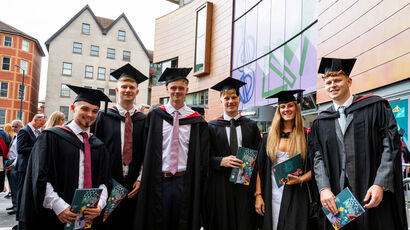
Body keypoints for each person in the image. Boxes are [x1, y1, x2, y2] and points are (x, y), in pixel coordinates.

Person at [310, 57, 407, 229]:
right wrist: (323, 188)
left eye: (337, 80)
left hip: (370, 191)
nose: (332, 85)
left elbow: (390, 147)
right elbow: (317, 157)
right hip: (337, 196)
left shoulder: (375, 107)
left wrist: (380, 184)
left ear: (349, 81)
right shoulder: (320, 122)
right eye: (328, 82)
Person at [18, 85, 112, 230]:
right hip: (56, 215)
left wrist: (100, 204)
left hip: (88, 217)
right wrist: (58, 206)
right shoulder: (51, 137)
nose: (90, 114)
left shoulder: (98, 145)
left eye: (94, 111)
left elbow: (104, 180)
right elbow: (39, 177)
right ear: (73, 108)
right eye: (85, 109)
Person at [133, 67, 209, 230]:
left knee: (183, 223)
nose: (177, 91)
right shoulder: (154, 117)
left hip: (185, 181)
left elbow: (202, 156)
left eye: (181, 88)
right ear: (167, 89)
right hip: (158, 180)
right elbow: (144, 149)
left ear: (187, 90)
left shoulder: (196, 121)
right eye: (173, 88)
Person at [93, 63, 148, 229]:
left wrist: (140, 179)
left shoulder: (143, 120)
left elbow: (147, 152)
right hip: (108, 182)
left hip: (134, 184)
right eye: (124, 86)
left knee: (131, 223)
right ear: (117, 90)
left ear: (137, 91)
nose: (128, 90)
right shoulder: (103, 116)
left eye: (132, 87)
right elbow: (95, 151)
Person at [204, 77, 261, 230]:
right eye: (226, 98)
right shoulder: (211, 127)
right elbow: (204, 158)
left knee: (245, 223)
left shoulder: (251, 126)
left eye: (234, 97)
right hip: (220, 185)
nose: (230, 101)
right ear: (220, 100)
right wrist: (220, 161)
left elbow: (259, 158)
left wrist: (258, 193)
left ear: (239, 99)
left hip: (245, 186)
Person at [254, 90, 315, 230]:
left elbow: (316, 168)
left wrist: (300, 179)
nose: (286, 109)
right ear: (278, 110)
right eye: (283, 107)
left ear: (296, 108)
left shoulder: (306, 136)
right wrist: (258, 195)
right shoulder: (269, 137)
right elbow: (259, 169)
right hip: (272, 193)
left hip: (297, 193)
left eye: (290, 105)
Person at [15, 114, 46, 221]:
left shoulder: (37, 132)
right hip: (24, 166)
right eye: (41, 123)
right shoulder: (24, 131)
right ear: (36, 120)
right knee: (21, 191)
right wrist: (37, 148)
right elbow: (20, 149)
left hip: (31, 166)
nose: (42, 125)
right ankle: (19, 214)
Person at [5, 120, 23, 215]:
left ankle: (17, 207)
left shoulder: (20, 135)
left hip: (14, 163)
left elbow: (19, 152)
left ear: (20, 126)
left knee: (15, 186)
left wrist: (14, 164)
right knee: (12, 185)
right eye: (12, 126)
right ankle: (14, 204)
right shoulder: (15, 136)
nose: (13, 128)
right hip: (10, 161)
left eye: (15, 126)